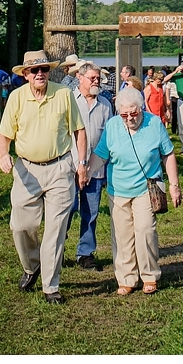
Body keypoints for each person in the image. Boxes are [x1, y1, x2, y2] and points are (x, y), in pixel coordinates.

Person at [0, 50, 87, 304]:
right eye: (34, 70)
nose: (39, 74)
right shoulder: (16, 97)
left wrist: (81, 164)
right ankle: (32, 266)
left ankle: (51, 286)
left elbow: (79, 131)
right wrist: (3, 155)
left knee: (55, 231)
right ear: (25, 74)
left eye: (44, 69)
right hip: (26, 169)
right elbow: (3, 137)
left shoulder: (64, 94)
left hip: (60, 168)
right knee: (21, 226)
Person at [90, 87, 181, 296]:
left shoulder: (154, 123)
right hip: (118, 189)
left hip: (146, 189)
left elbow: (168, 154)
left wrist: (174, 185)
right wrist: (86, 173)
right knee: (122, 236)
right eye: (124, 114)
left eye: (134, 113)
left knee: (145, 230)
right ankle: (126, 278)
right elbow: (101, 155)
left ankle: (149, 275)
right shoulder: (112, 125)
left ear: (141, 108)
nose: (130, 118)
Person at [68, 61, 113, 270]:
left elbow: (109, 137)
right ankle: (56, 249)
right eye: (93, 78)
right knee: (67, 209)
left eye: (98, 78)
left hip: (96, 169)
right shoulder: (69, 101)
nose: (97, 82)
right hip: (70, 167)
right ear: (80, 77)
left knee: (91, 212)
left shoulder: (105, 104)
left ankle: (85, 253)